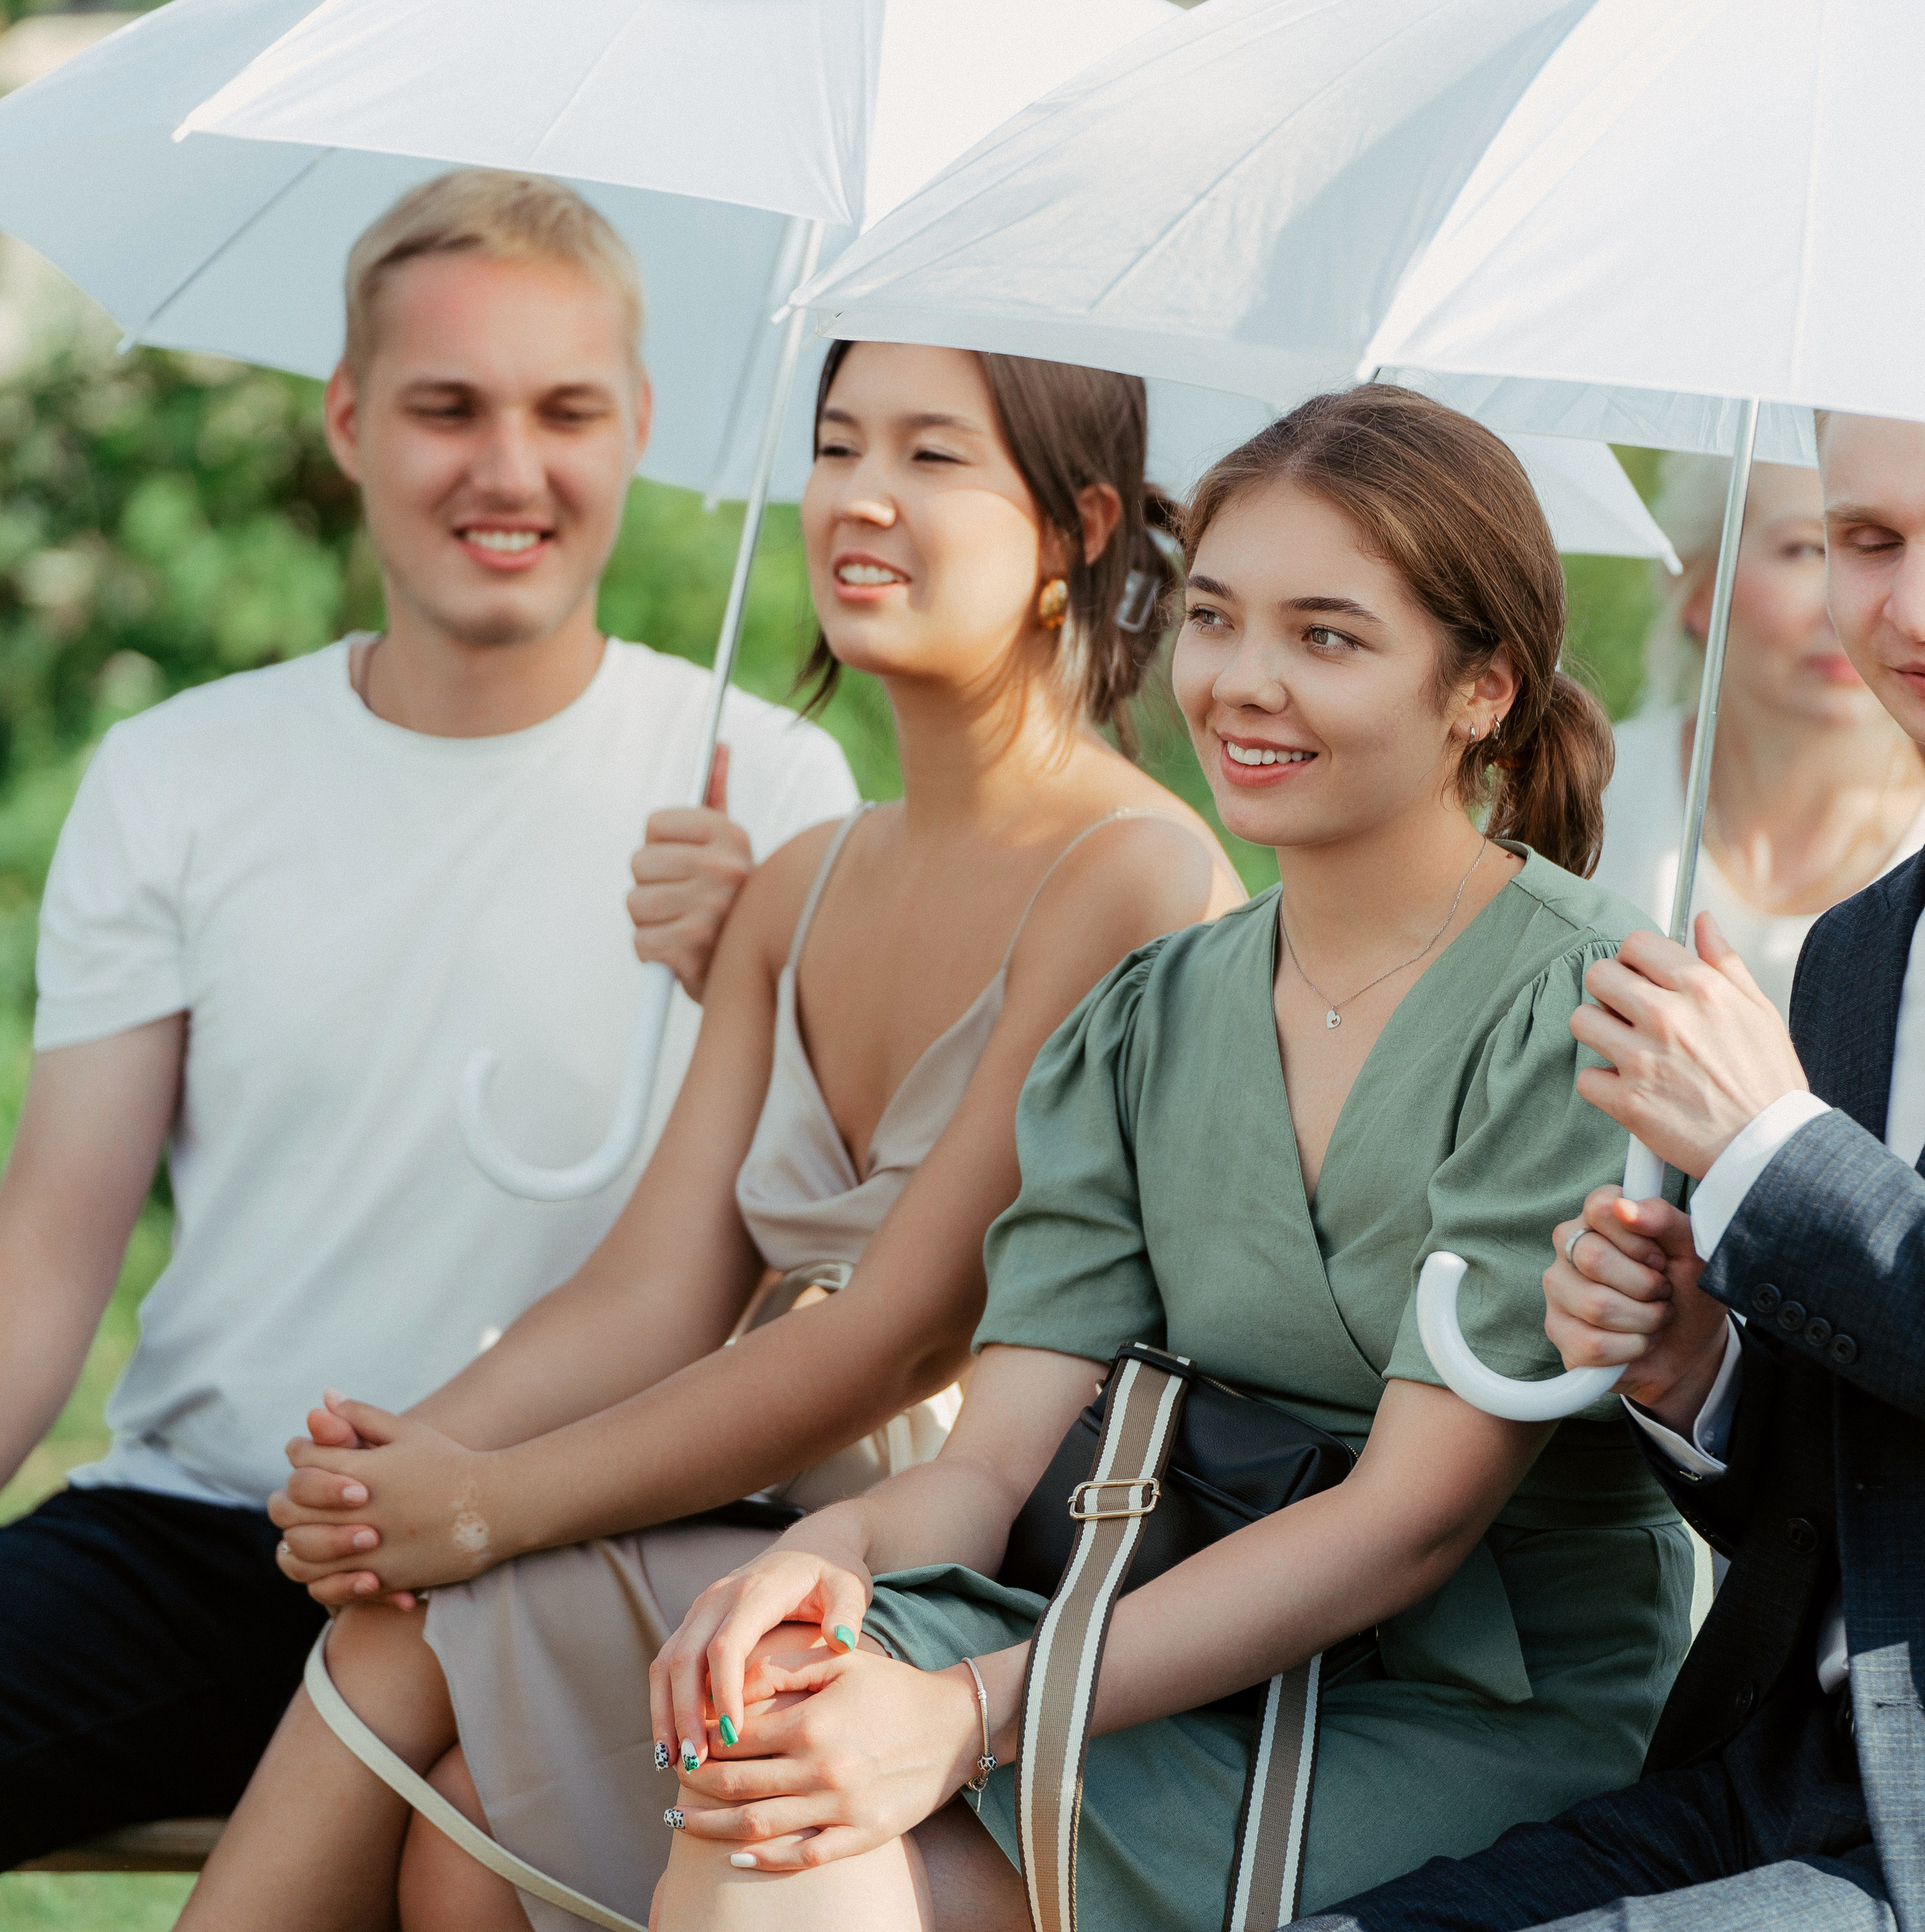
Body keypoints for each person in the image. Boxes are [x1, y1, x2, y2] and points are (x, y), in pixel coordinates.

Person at [174, 337, 1244, 1932]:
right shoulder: (798, 880)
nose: (859, 499)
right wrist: (405, 1465)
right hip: (772, 1514)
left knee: (422, 1641)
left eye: (931, 456)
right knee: (459, 1823)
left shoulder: (1133, 876)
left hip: (997, 1559)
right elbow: (650, 1295)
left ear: (1075, 531)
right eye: (834, 444)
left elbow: (896, 1335)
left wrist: (490, 1505)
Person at [647, 387, 1696, 1932]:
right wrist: (825, 1556)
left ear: (1478, 687)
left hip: (1462, 1697)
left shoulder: (1582, 1011)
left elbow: (1408, 1517)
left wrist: (964, 1712)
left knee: (805, 1832)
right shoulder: (1146, 1017)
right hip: (1140, 1613)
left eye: (1324, 637)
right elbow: (994, 1463)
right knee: (779, 1758)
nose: (1241, 684)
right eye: (1212, 619)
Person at [0, 169, 860, 1871]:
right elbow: (44, 1253)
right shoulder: (178, 774)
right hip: (209, 1533)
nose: (509, 468)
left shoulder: (768, 788)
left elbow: (826, 1272)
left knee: (470, 1851)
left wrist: (742, 967)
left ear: (638, 431)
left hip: (584, 1551)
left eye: (565, 410)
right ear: (350, 419)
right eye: (448, 407)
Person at [1290, 408, 1925, 1931]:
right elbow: (1850, 1498)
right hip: (1771, 1773)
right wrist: (1695, 1367)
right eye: (1864, 540)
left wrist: (1777, 1153)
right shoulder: (1856, 955)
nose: (1902, 609)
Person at [1594, 454, 1925, 1014]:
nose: (1843, 606)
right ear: (1697, 586)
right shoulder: (1588, 796)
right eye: (1806, 549)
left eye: (1877, 546)